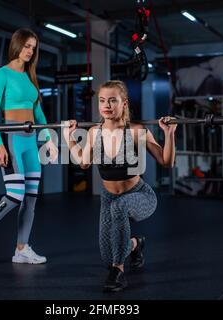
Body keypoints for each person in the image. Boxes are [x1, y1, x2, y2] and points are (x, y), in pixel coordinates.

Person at [64, 80, 177, 292]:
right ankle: (135, 244)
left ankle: (118, 272)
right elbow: (83, 162)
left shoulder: (136, 131)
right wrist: (69, 138)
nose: (106, 105)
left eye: (112, 100)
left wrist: (169, 134)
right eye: (102, 100)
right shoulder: (94, 133)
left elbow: (166, 162)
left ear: (123, 103)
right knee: (108, 256)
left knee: (120, 213)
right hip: (109, 197)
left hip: (140, 196)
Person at [0, 28, 57, 267]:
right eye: (27, 46)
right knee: (15, 195)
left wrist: (48, 138)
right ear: (17, 45)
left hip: (30, 140)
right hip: (11, 138)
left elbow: (37, 112)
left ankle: (22, 248)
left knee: (31, 198)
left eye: (33, 48)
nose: (30, 51)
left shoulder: (30, 76)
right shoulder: (1, 74)